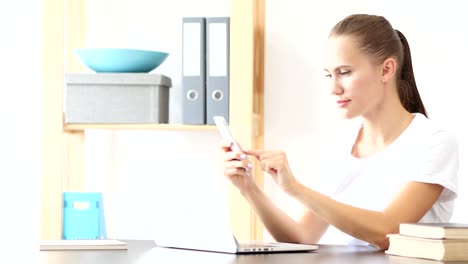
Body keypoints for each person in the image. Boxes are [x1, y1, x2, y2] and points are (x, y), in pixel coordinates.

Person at [221, 14, 458, 250]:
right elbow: (301, 237)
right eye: (329, 75)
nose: (333, 88)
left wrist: (295, 188)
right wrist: (248, 189)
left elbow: (388, 233)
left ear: (386, 70)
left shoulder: (433, 142)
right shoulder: (343, 146)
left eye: (344, 72)